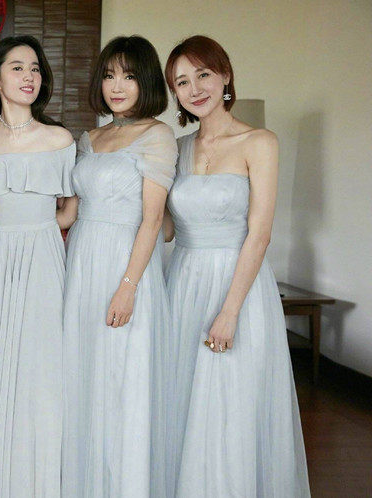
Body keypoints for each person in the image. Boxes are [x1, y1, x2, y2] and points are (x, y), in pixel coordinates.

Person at [164, 35, 310, 497]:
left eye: (203, 74)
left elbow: (259, 234)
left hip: (237, 286)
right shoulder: (176, 147)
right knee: (182, 399)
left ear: (225, 75)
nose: (194, 89)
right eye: (181, 82)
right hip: (182, 282)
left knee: (231, 402)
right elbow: (163, 228)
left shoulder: (259, 141)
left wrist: (229, 312)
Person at [60, 35, 177, 498]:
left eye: (128, 76)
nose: (116, 85)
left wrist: (128, 286)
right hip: (82, 262)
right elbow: (68, 214)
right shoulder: (89, 139)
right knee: (84, 373)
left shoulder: (157, 135)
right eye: (109, 75)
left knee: (122, 377)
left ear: (145, 81)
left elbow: (153, 220)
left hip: (127, 265)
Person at [0, 35, 74, 498]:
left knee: (42, 373)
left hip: (44, 259)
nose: (29, 76)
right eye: (17, 68)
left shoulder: (60, 139)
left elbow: (69, 210)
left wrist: (37, 233)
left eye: (35, 69)